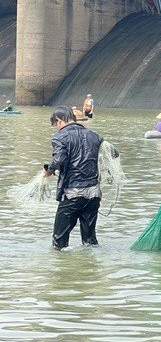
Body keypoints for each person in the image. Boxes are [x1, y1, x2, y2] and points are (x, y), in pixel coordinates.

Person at [44, 106, 105, 250]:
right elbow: (113, 153)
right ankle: (91, 267)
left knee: (59, 242)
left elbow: (58, 160)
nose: (56, 128)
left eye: (55, 125)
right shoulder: (94, 135)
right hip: (94, 194)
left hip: (73, 194)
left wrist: (48, 170)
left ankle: (62, 269)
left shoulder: (60, 137)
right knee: (90, 241)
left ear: (59, 121)